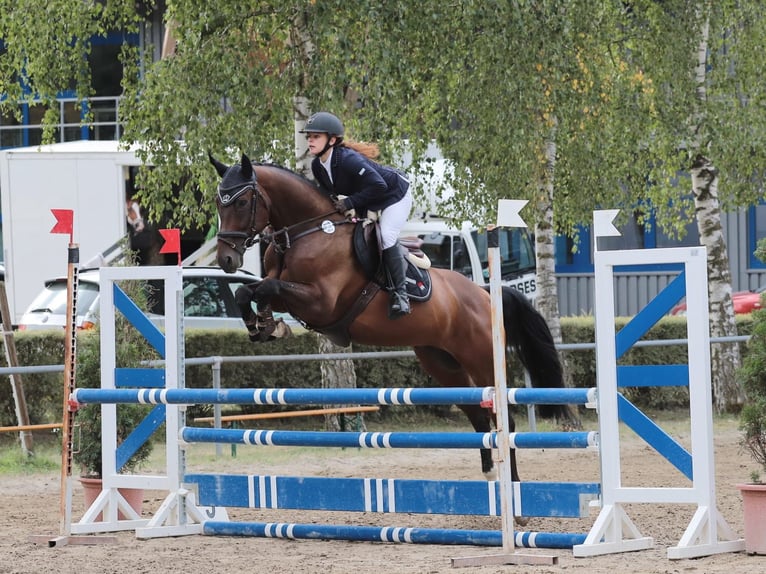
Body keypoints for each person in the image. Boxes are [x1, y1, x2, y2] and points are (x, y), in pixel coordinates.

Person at [300, 111, 413, 319]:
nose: (310, 140)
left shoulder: (348, 159)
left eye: (316, 136)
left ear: (332, 140)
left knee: (386, 235)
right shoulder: (318, 166)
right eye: (309, 136)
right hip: (369, 199)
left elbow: (378, 185)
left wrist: (349, 203)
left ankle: (400, 294)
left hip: (395, 194)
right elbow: (331, 199)